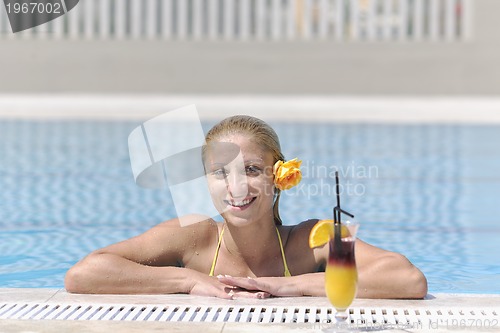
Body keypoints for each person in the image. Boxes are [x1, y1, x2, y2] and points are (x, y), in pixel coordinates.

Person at [65, 115, 427, 299]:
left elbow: (408, 280)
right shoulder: (194, 237)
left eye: (252, 170)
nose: (236, 187)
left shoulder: (312, 240)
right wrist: (189, 280)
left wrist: (293, 286)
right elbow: (84, 274)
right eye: (220, 173)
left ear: (279, 176)